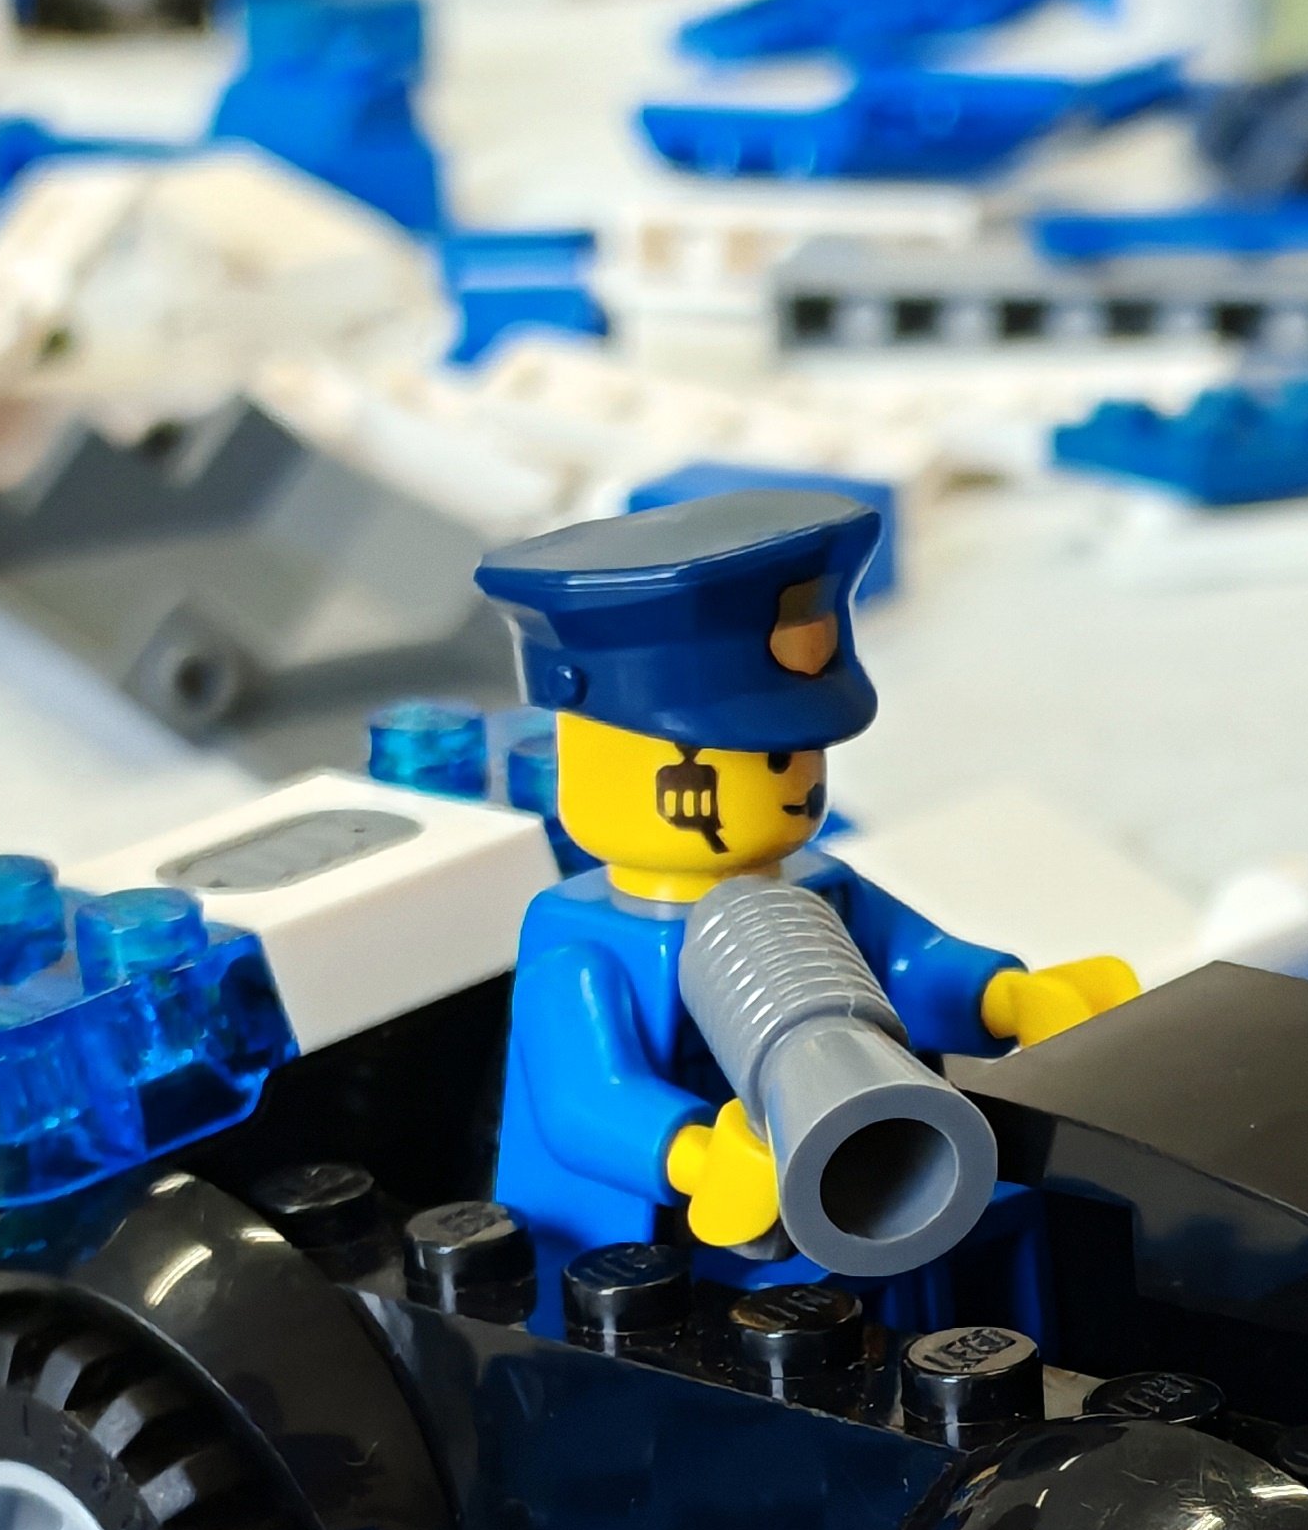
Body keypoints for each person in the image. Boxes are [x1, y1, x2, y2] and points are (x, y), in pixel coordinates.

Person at [478, 489, 1136, 1276]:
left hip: (845, 1197)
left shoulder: (821, 885)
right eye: (754, 760)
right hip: (646, 1246)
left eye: (799, 756)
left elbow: (908, 962)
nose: (790, 785)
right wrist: (696, 1157)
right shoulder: (586, 941)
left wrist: (1007, 996)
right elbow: (582, 1100)